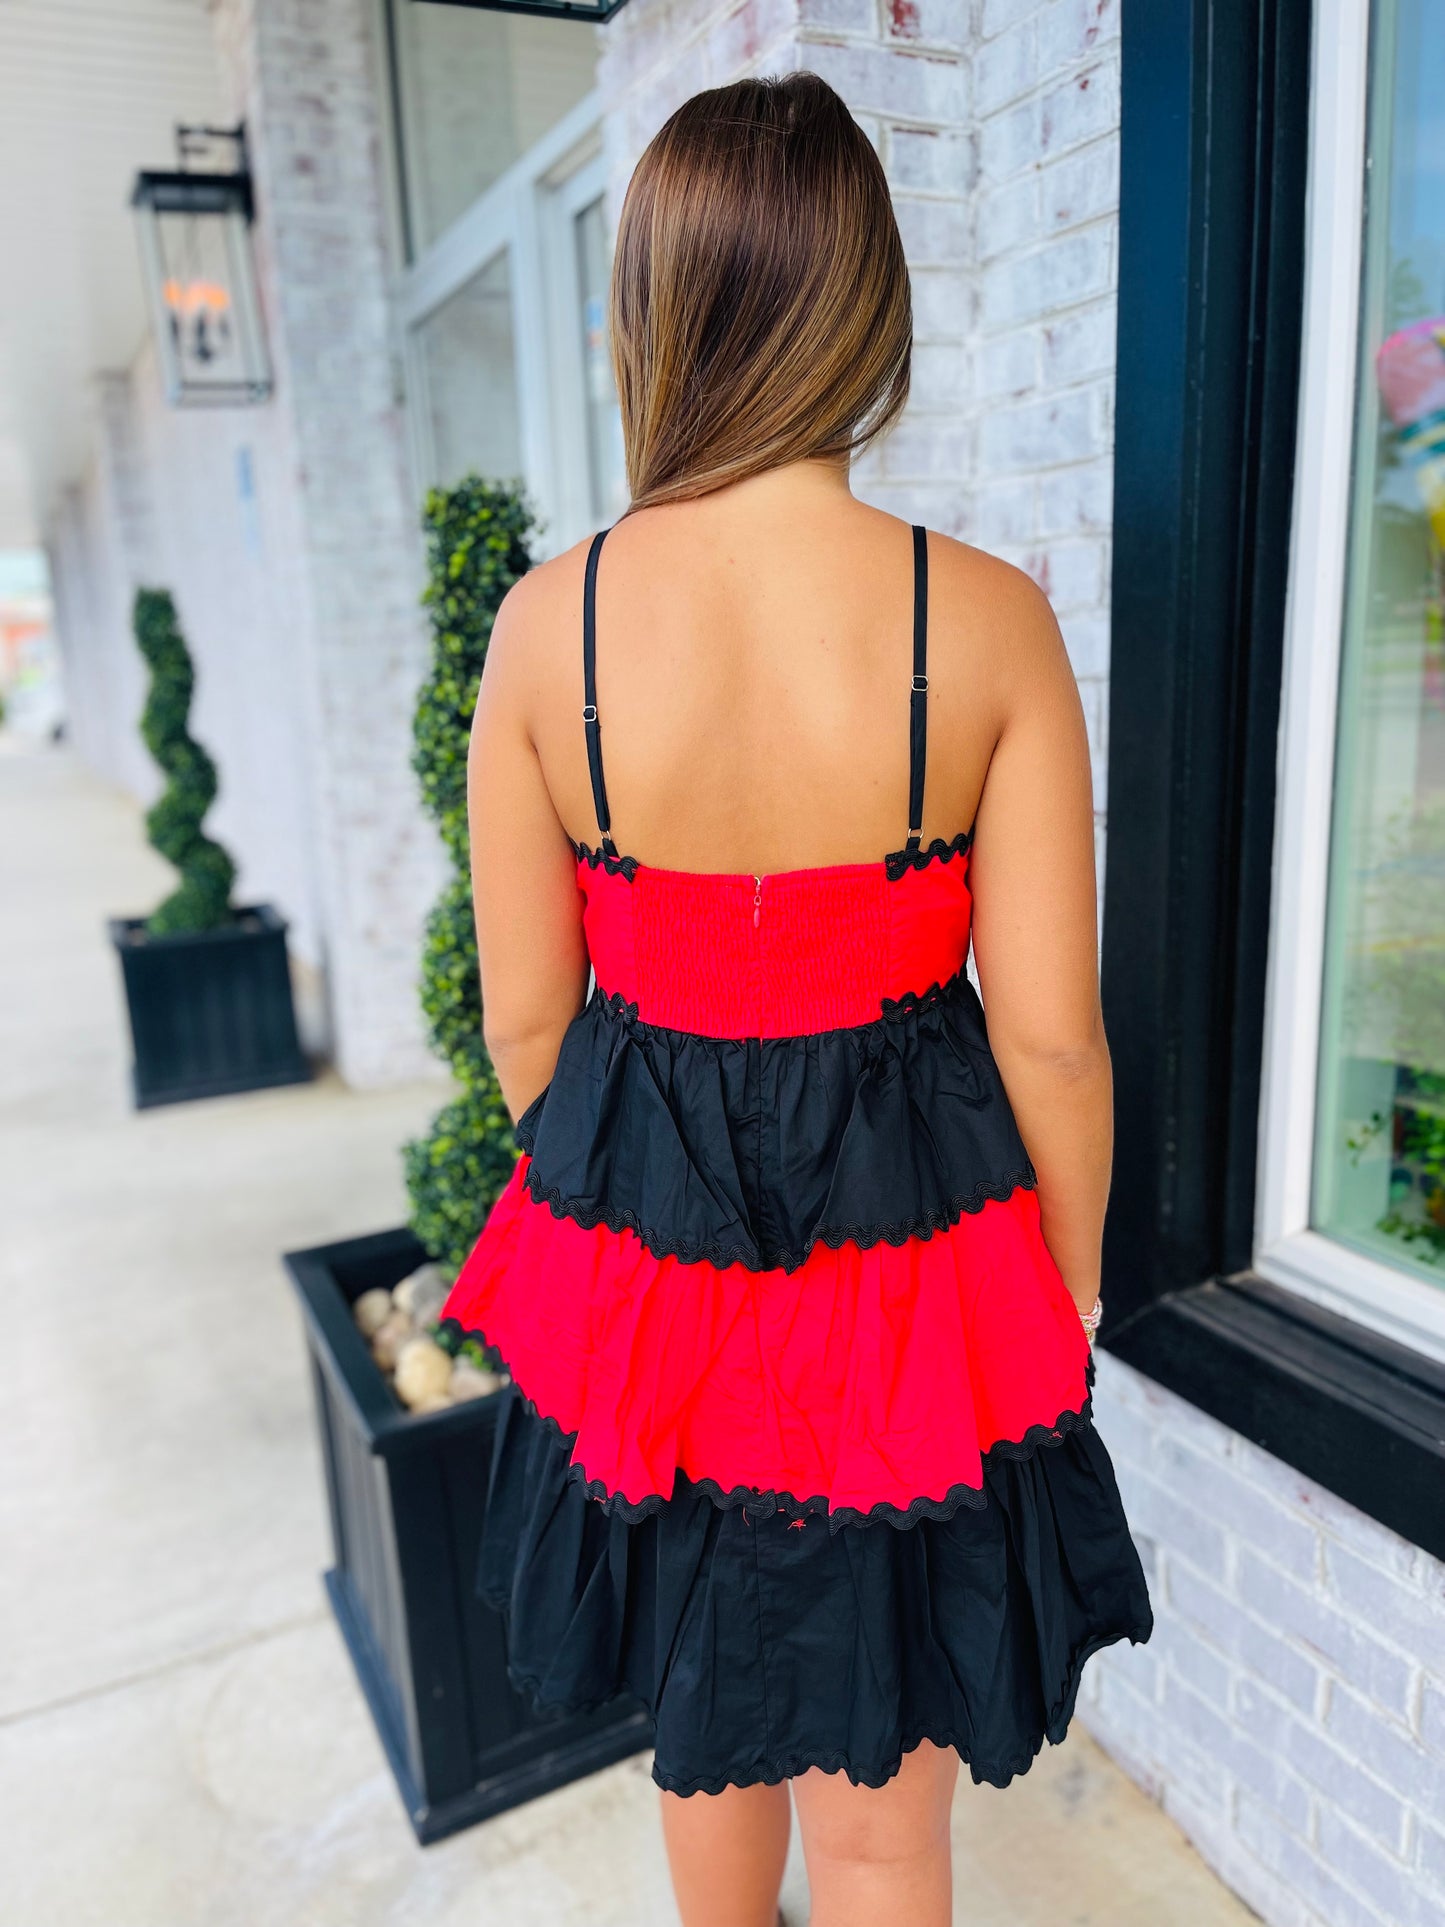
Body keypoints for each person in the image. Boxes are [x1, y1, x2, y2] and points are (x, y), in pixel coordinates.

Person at [435, 70, 1154, 1927]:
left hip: (650, 1268)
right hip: (912, 1266)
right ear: (868, 304)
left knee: (711, 1731)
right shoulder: (983, 620)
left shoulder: (546, 629)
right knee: (881, 1812)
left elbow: (529, 1023)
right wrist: (1053, 1293)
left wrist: (622, 1227)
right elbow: (1050, 1033)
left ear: (648, 313)